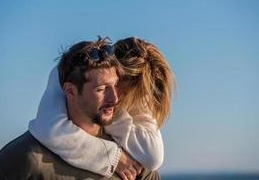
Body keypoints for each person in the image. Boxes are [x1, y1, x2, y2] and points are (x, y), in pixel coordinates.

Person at [0, 37, 160, 180]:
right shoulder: (27, 158)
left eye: (115, 86)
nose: (115, 99)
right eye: (101, 89)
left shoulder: (133, 163)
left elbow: (154, 157)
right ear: (70, 91)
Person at [27, 37, 174, 180]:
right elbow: (50, 129)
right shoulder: (72, 70)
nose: (116, 99)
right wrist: (113, 158)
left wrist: (115, 117)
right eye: (104, 88)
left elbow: (153, 157)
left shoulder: (139, 84)